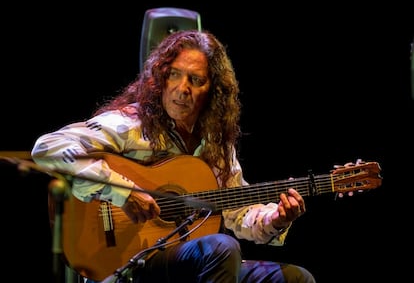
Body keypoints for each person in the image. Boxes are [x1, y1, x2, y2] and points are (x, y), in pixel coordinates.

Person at [31, 30, 316, 283]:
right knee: (220, 248)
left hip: (188, 261)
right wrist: (123, 192)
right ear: (160, 79)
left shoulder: (216, 146)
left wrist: (276, 219)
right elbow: (48, 148)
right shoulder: (131, 126)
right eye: (174, 75)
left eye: (196, 80)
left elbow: (238, 214)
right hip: (133, 263)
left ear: (213, 91)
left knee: (296, 277)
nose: (182, 89)